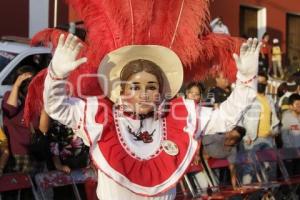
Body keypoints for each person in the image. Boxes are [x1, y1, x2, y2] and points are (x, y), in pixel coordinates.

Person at [43, 32, 260, 199]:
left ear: (160, 90)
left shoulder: (179, 115)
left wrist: (246, 80)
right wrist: (57, 75)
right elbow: (56, 107)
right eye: (135, 86)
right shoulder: (100, 114)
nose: (144, 94)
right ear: (122, 90)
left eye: (151, 86)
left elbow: (226, 117)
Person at [241, 71, 280, 184]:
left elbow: (274, 118)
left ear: (267, 83)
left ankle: (268, 193)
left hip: (268, 138)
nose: (261, 84)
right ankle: (246, 193)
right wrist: (245, 136)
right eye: (258, 82)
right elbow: (241, 119)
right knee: (250, 168)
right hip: (252, 139)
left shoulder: (270, 99)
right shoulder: (248, 99)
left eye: (263, 82)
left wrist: (275, 131)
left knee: (269, 168)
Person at [2, 65, 36, 173]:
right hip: (15, 154)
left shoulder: (36, 100)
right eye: (26, 81)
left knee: (33, 188)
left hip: (34, 153)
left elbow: (40, 126)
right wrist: (16, 86)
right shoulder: (10, 96)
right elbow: (10, 110)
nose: (29, 84)